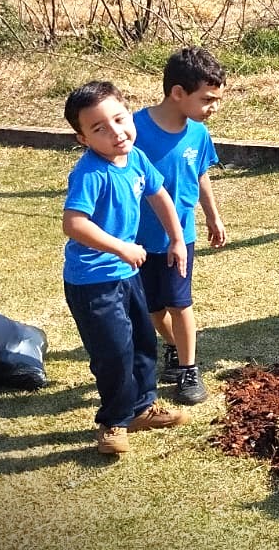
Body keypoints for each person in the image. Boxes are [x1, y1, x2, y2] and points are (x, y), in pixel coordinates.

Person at [61, 81, 190, 455]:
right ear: (82, 138)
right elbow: (74, 224)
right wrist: (120, 247)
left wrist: (177, 239)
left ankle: (142, 407)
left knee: (142, 341)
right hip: (93, 282)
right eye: (99, 128)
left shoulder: (134, 158)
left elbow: (159, 194)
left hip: (126, 274)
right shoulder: (90, 174)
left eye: (119, 119)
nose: (116, 132)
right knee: (114, 351)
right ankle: (113, 422)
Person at [133, 48, 225, 406]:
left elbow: (200, 174)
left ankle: (188, 368)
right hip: (138, 240)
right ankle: (171, 345)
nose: (213, 106)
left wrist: (212, 216)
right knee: (152, 309)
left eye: (216, 99)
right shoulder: (134, 129)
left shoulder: (198, 134)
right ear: (177, 93)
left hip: (180, 237)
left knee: (179, 303)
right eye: (206, 99)